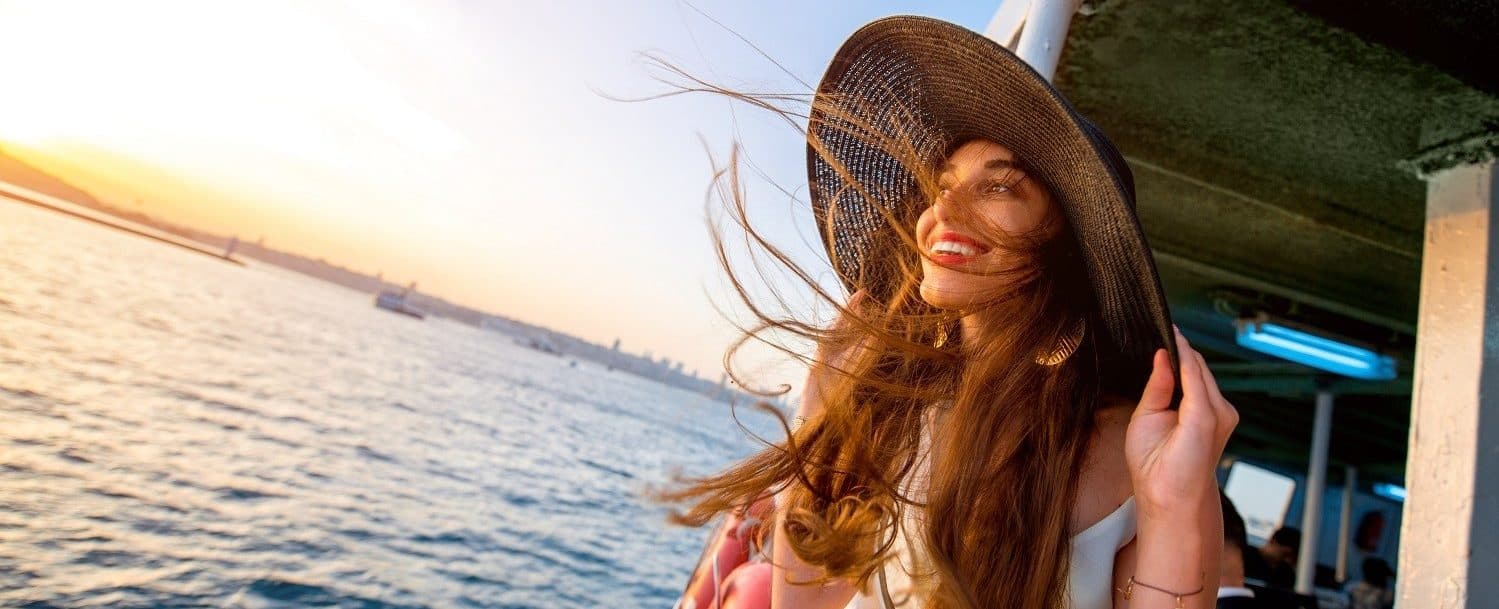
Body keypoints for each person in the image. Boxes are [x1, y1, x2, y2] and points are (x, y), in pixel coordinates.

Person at [664, 16, 1237, 609]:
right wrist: (825, 414)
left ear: (1071, 249)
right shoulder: (896, 414)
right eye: (940, 185)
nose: (944, 210)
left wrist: (1173, 506)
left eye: (999, 187)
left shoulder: (1135, 453)